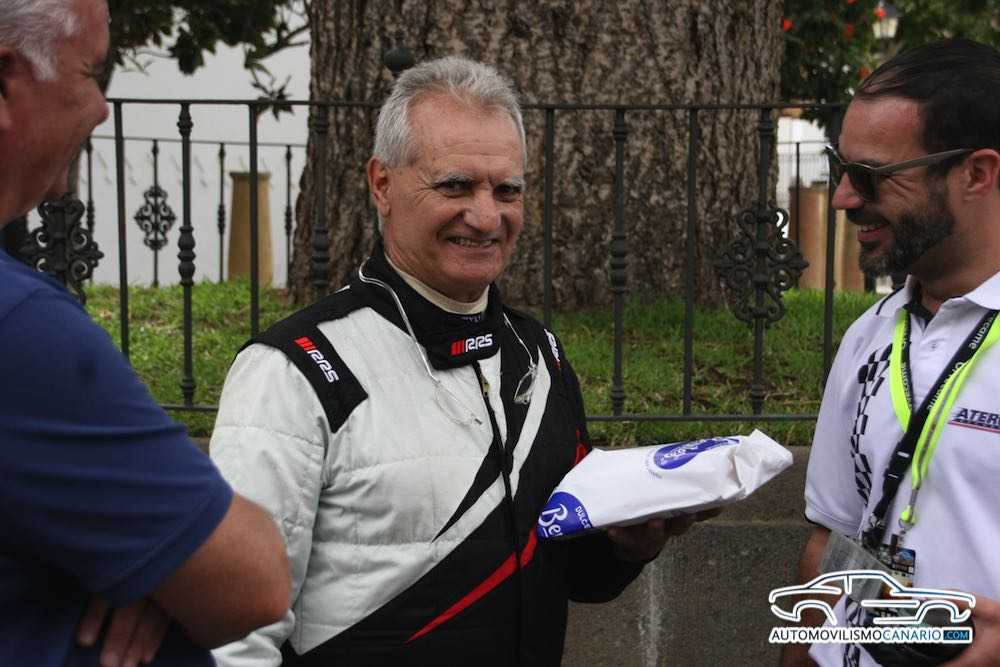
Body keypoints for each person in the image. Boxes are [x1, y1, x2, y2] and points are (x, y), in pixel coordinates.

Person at [209, 55, 704, 666]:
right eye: (455, 186)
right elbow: (232, 628)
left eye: (507, 190)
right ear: (382, 185)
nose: (486, 216)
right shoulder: (292, 369)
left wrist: (629, 545)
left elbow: (572, 573)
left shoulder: (539, 356)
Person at [0, 1, 291, 665]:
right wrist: (156, 569)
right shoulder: (22, 328)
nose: (102, 108)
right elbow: (253, 580)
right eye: (89, 72)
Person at [786, 39, 1000, 666]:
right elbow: (830, 543)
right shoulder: (870, 335)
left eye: (872, 175)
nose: (844, 198)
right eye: (841, 167)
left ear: (977, 173)